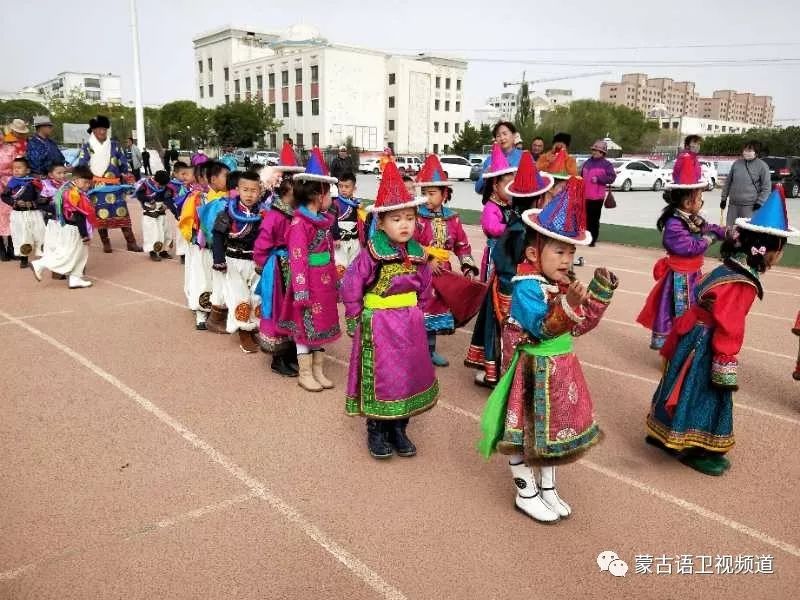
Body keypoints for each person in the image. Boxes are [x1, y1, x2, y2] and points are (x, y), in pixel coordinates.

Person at [478, 177, 618, 522]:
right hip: (531, 373)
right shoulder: (526, 288)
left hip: (559, 371)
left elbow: (580, 326)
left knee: (551, 432)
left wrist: (598, 296)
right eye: (558, 251)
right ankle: (527, 492)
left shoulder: (562, 284)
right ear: (532, 252)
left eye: (571, 252)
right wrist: (569, 304)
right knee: (523, 433)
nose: (566, 259)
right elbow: (542, 327)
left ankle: (549, 489)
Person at [645, 186, 797, 475]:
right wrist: (725, 365)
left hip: (691, 336)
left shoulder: (729, 266)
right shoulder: (742, 283)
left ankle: (662, 434)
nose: (779, 256)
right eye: (780, 249)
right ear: (769, 250)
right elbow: (729, 325)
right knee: (705, 395)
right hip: (707, 345)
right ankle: (697, 448)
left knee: (676, 382)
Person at [342, 161, 437, 459]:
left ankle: (400, 427)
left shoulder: (419, 254)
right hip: (379, 326)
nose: (405, 225)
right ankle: (377, 429)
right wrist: (355, 316)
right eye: (396, 219)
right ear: (381, 223)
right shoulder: (371, 254)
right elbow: (351, 286)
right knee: (383, 376)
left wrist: (420, 313)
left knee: (408, 374)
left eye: (410, 218)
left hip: (409, 324)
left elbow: (425, 287)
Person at [466, 150, 552, 388]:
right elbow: (508, 263)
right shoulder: (519, 229)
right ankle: (501, 375)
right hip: (509, 287)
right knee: (509, 330)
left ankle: (493, 371)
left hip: (508, 283)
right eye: (544, 198)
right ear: (537, 200)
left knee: (499, 327)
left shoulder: (519, 222)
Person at [637, 153, 726, 350]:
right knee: (680, 311)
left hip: (692, 274)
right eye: (699, 198)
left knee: (691, 308)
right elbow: (690, 247)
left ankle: (683, 344)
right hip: (680, 278)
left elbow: (709, 227)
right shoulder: (675, 224)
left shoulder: (691, 218)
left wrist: (725, 232)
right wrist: (709, 238)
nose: (701, 202)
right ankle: (674, 347)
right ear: (687, 203)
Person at [278, 148, 341, 391]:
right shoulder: (299, 224)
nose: (331, 198)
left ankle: (318, 369)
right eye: (328, 193)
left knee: (321, 323)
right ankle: (305, 373)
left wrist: (334, 279)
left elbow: (331, 253)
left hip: (324, 280)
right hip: (308, 282)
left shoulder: (323, 221)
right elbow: (297, 257)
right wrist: (301, 289)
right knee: (306, 326)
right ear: (317, 194)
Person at [414, 154, 478, 367]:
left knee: (437, 311)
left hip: (444, 274)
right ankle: (417, 352)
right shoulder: (415, 217)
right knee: (419, 311)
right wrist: (428, 259)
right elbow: (409, 243)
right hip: (419, 272)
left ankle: (430, 351)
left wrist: (468, 266)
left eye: (432, 193)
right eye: (425, 193)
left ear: (445, 193)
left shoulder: (453, 218)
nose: (427, 198)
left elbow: (462, 245)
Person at [212, 171, 264, 353]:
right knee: (239, 297)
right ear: (238, 190)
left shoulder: (263, 213)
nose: (249, 194)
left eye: (253, 190)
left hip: (256, 262)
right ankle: (243, 332)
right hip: (234, 261)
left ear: (260, 192)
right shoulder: (227, 211)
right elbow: (217, 235)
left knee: (256, 298)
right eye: (245, 190)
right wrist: (218, 259)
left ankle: (253, 328)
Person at [76, 115, 142, 253]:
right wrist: (84, 182)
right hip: (97, 187)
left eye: (104, 129)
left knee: (122, 213)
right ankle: (106, 243)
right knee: (100, 216)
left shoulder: (115, 145)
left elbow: (123, 162)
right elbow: (82, 165)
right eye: (99, 129)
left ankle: (131, 243)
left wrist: (126, 173)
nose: (102, 132)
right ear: (93, 130)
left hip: (115, 186)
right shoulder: (87, 147)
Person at [30, 165, 96, 289]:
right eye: (85, 182)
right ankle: (39, 264)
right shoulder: (74, 194)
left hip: (69, 228)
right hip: (74, 229)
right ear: (76, 180)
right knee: (67, 255)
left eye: (89, 182)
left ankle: (75, 278)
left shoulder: (66, 189)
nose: (88, 185)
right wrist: (85, 235)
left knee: (80, 254)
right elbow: (79, 215)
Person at [198, 161, 233, 333]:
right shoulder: (215, 202)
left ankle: (225, 315)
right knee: (219, 282)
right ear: (213, 179)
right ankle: (215, 318)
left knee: (228, 282)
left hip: (228, 249)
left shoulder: (226, 199)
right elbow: (213, 231)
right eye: (226, 176)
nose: (230, 179)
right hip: (218, 248)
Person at [178, 162, 214, 330]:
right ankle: (201, 311)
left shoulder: (223, 196)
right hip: (201, 245)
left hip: (218, 247)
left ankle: (217, 309)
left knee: (216, 278)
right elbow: (187, 222)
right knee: (201, 277)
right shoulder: (196, 197)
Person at [1, 157, 44, 268]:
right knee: (22, 236)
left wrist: (33, 203)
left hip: (34, 213)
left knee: (39, 233)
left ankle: (43, 257)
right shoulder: (12, 183)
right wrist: (15, 202)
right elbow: (5, 196)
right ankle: (24, 259)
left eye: (19, 168)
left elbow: (41, 197)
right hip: (18, 215)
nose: (16, 170)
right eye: (14, 168)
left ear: (27, 170)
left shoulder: (34, 183)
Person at [720, 140, 771, 228]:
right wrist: (723, 198)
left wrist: (760, 202)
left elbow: (766, 187)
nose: (746, 152)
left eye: (750, 150)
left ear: (756, 152)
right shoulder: (737, 164)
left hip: (750, 206)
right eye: (745, 150)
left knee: (746, 232)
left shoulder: (762, 166)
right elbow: (728, 182)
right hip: (733, 205)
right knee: (730, 229)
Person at [580, 140, 617, 247]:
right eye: (594, 150)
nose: (595, 152)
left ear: (603, 153)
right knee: (585, 218)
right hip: (585, 196)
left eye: (598, 151)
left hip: (597, 197)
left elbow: (612, 178)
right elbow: (582, 176)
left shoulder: (607, 165)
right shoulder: (587, 162)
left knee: (594, 219)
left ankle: (592, 239)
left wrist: (599, 179)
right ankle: (585, 237)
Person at [135, 170, 176, 261]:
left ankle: (164, 251)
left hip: (161, 212)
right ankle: (153, 252)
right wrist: (149, 200)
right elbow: (139, 195)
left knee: (166, 232)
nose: (162, 187)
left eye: (164, 185)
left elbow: (169, 198)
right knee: (153, 233)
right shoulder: (146, 184)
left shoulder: (166, 186)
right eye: (161, 185)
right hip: (150, 213)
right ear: (156, 181)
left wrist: (167, 206)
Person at [330, 171, 364, 278]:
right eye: (340, 186)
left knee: (354, 265)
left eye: (347, 186)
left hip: (354, 241)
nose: (343, 189)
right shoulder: (334, 202)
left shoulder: (356, 203)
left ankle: (352, 289)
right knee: (340, 266)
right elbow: (332, 221)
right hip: (340, 241)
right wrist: (335, 237)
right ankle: (340, 291)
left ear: (354, 189)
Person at [475, 121, 523, 195]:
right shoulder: (489, 160)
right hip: (495, 204)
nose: (502, 138)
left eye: (505, 134)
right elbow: (478, 189)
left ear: (513, 136)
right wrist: (485, 176)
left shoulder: (523, 157)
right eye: (498, 136)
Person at [0, 135, 17, 260]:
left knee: (11, 215)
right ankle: (1, 250)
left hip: (9, 185)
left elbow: (18, 167)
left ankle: (12, 248)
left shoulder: (11, 149)